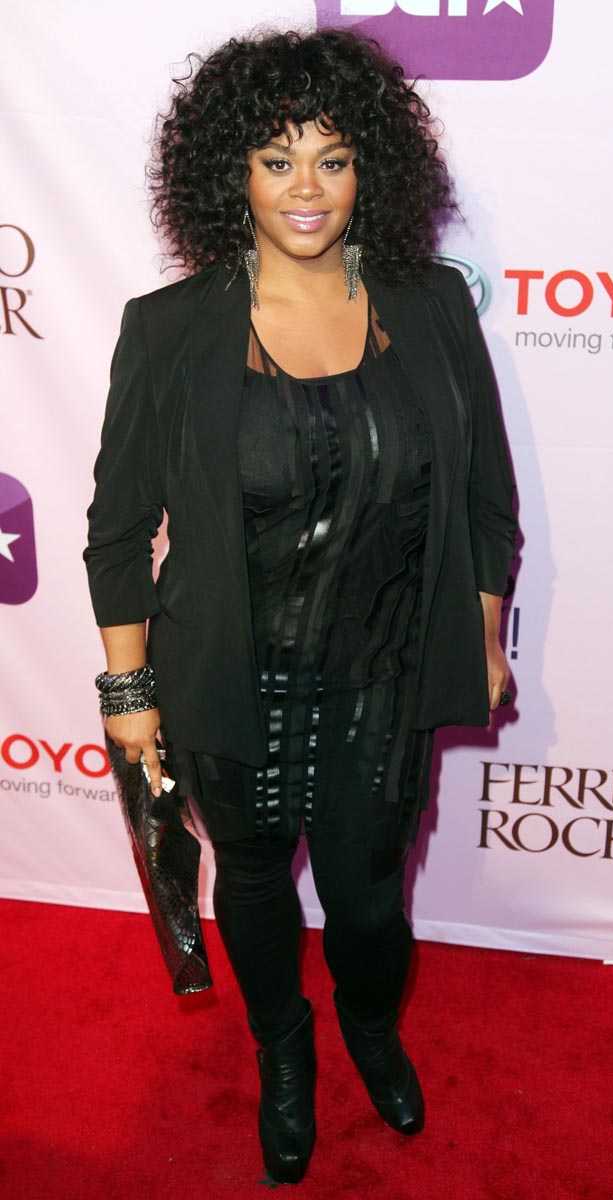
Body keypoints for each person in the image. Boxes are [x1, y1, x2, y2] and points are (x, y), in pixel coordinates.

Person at [83, 27, 517, 1185]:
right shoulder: (171, 329)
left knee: (370, 906)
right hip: (230, 678)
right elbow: (117, 533)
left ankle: (369, 1027)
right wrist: (130, 696)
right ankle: (284, 1046)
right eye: (276, 160)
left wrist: (482, 634)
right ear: (231, 171)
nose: (307, 187)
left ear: (372, 165)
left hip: (383, 674)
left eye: (332, 157)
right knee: (256, 884)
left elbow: (487, 499)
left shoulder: (431, 305)